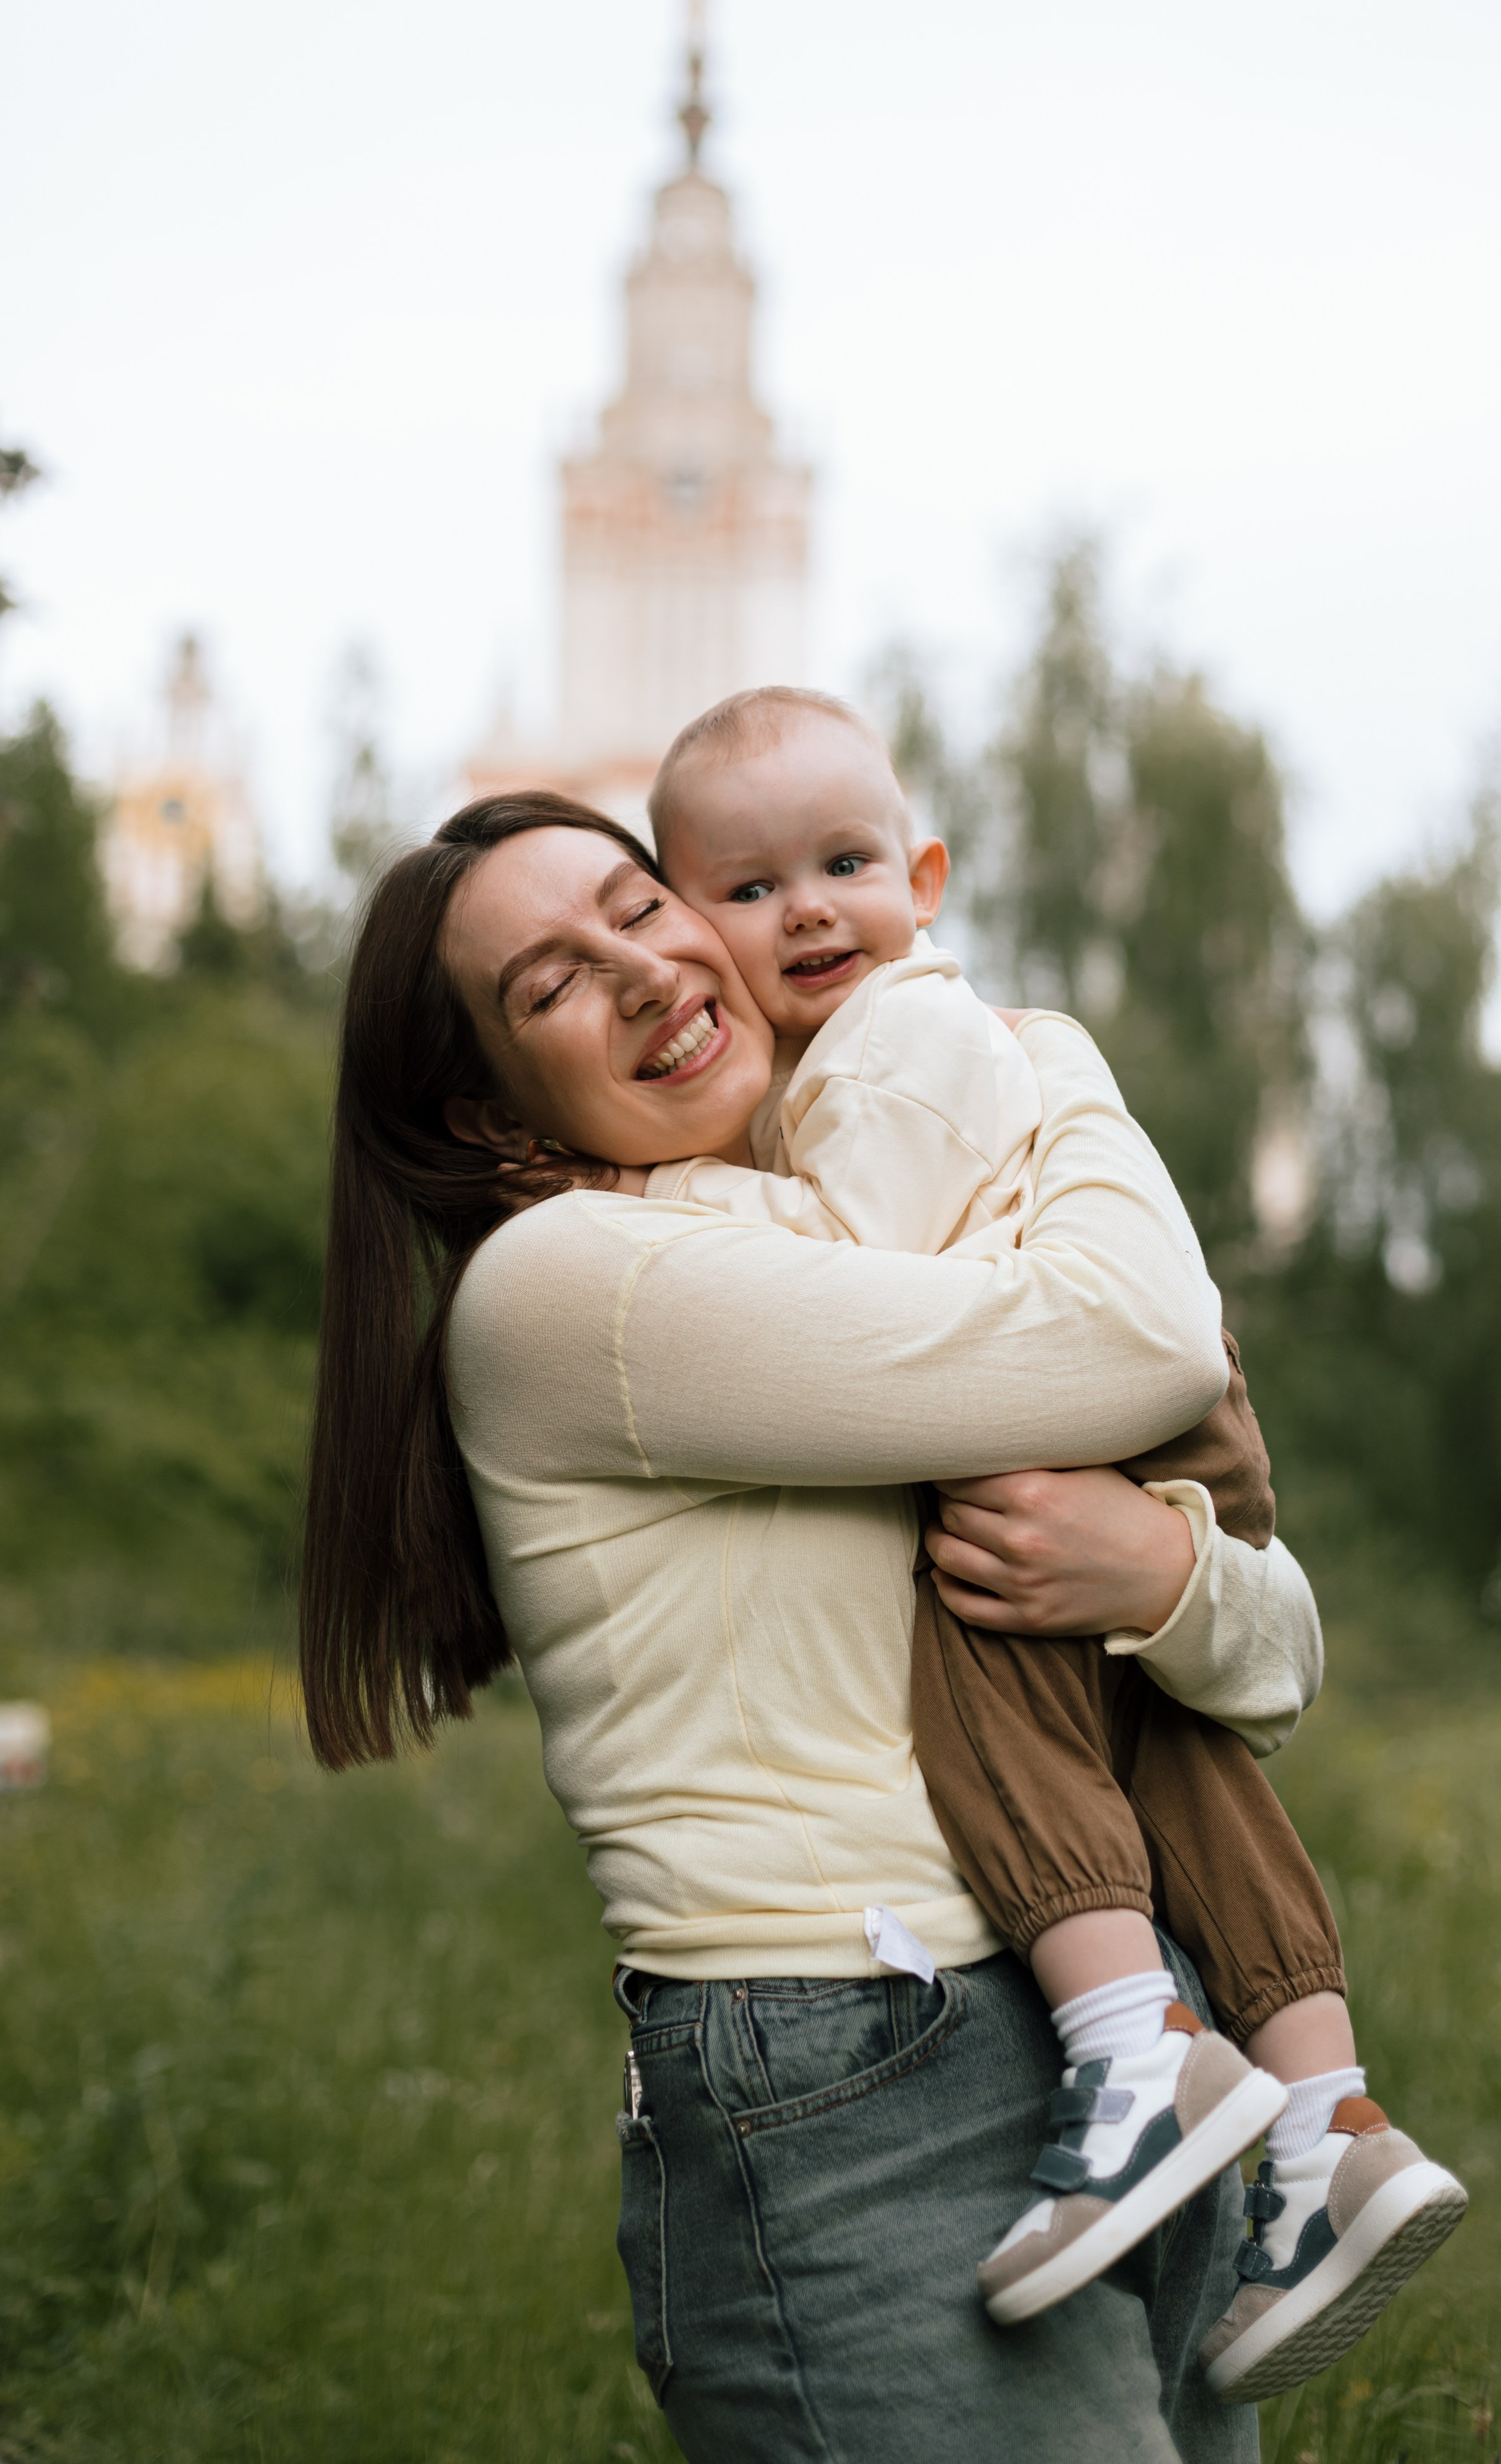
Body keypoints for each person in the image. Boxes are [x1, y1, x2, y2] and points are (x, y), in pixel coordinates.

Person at [300, 788, 1327, 2463]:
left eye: (634, 908)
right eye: (548, 985)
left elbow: (1274, 1664)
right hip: (847, 2069)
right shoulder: (574, 1287)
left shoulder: (831, 1220)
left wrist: (1155, 1579)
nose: (636, 975)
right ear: (486, 1114)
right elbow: (1149, 1342)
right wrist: (1041, 1051)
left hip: (1122, 2031)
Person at [640, 686, 1466, 2391]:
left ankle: (1129, 2043)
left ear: (922, 876)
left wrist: (689, 1202)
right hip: (1157, 1430)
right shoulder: (909, 1036)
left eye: (844, 862)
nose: (804, 908)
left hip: (1073, 1412)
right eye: (747, 885)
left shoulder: (890, 1042)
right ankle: (1324, 2117)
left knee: (971, 1643)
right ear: (688, 916)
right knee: (1166, 1746)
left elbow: (859, 1290)